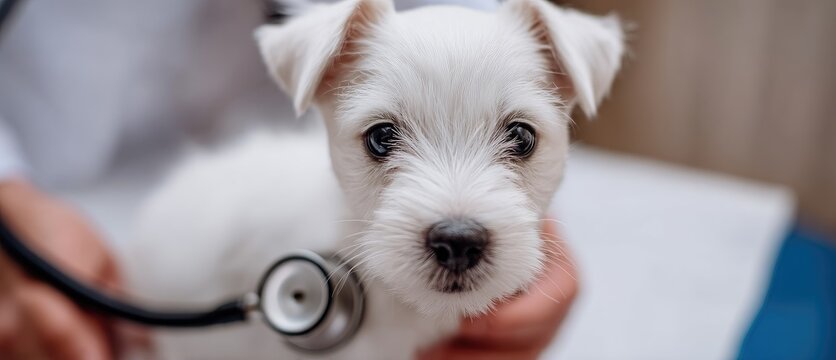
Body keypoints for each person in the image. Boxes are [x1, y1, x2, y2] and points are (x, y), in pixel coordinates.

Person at [0, 0, 578, 359]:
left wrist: (533, 220)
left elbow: (460, 37)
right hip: (57, 193)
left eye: (518, 141)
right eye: (384, 140)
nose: (458, 218)